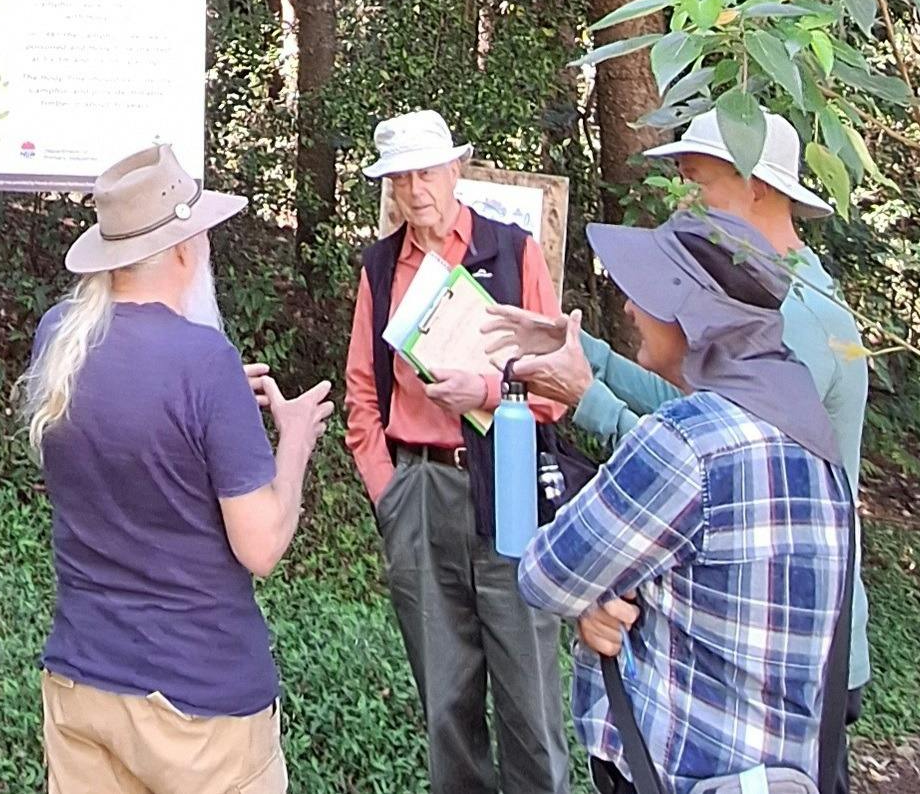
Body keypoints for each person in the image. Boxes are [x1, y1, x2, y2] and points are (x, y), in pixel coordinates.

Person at [483, 109, 872, 730]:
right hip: (747, 619)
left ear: (759, 188)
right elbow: (691, 412)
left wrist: (591, 398)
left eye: (698, 184)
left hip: (784, 637)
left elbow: (714, 469)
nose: (685, 205)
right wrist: (584, 353)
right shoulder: (768, 294)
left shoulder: (794, 315)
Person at [23, 142, 332, 794]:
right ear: (187, 251)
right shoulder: (202, 361)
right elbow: (262, 547)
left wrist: (216, 412)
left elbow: (130, 422)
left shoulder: (58, 337)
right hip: (199, 705)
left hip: (81, 683)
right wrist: (295, 438)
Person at [513, 211, 854, 794]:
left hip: (678, 771)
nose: (628, 308)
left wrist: (609, 596)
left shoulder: (687, 444)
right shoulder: (814, 439)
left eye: (645, 294)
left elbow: (546, 576)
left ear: (691, 315)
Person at [343, 109, 571, 794]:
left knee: (530, 704)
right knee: (446, 706)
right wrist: (387, 491)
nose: (415, 190)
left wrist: (488, 389)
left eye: (426, 172)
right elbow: (361, 393)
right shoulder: (381, 268)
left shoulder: (511, 251)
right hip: (420, 491)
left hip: (506, 485)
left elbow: (559, 384)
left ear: (455, 170)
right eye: (400, 177)